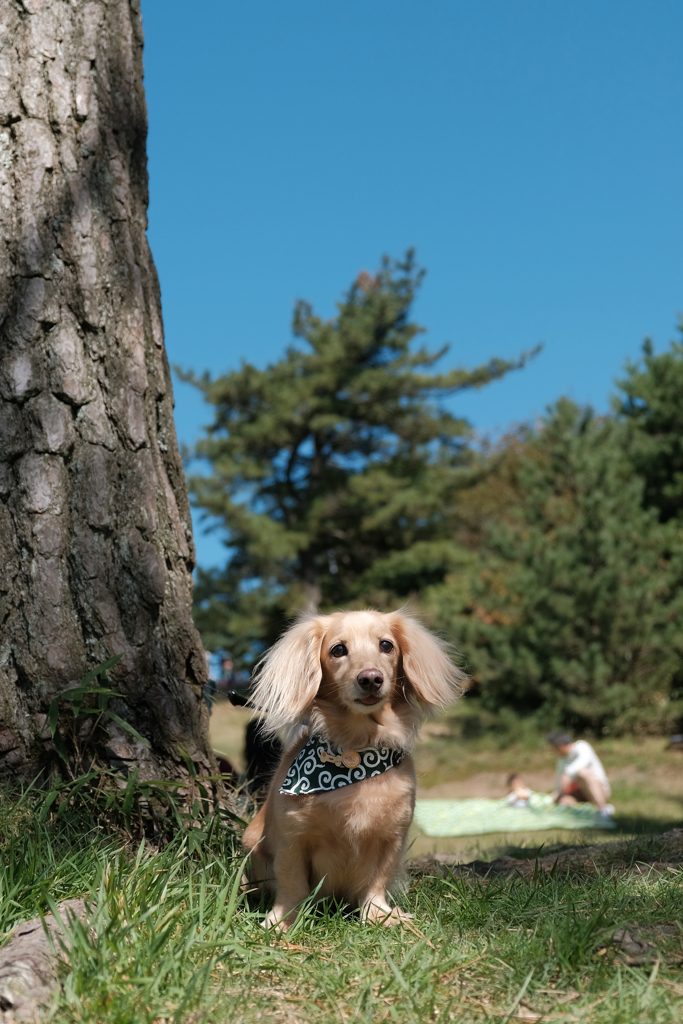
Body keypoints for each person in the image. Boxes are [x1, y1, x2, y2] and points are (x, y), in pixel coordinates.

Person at [547, 730, 614, 819]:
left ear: (561, 746)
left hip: (599, 789)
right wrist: (556, 794)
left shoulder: (581, 746)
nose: (553, 752)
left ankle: (602, 808)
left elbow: (583, 760)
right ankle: (585, 813)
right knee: (563, 801)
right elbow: (559, 780)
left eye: (553, 749)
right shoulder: (561, 760)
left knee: (582, 773)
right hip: (579, 793)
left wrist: (568, 773)